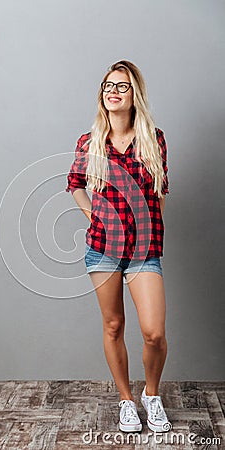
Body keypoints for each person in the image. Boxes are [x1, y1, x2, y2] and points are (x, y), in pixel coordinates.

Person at [65, 60, 172, 433]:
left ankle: (152, 396)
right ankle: (127, 399)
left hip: (143, 249)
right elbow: (75, 182)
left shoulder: (153, 139)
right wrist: (93, 214)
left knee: (153, 332)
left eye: (122, 86)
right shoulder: (89, 141)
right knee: (113, 325)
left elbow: (159, 192)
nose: (113, 91)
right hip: (102, 248)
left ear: (134, 94)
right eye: (108, 85)